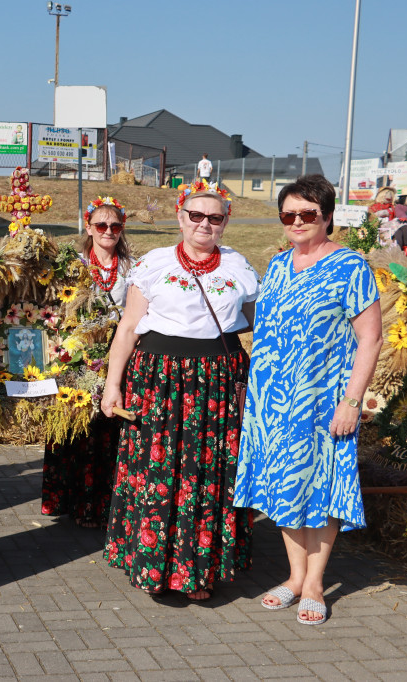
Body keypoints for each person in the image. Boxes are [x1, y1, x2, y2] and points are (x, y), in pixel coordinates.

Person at [100, 179, 259, 600]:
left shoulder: (239, 268)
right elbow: (129, 328)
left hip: (217, 382)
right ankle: (154, 566)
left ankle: (197, 571)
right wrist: (111, 387)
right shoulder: (153, 264)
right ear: (180, 216)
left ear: (226, 222)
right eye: (196, 215)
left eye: (215, 217)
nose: (204, 224)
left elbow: (259, 329)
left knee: (206, 474)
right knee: (157, 471)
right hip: (159, 379)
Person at [235, 174, 382, 625]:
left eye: (307, 214)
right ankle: (295, 577)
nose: (297, 222)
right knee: (284, 486)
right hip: (272, 401)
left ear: (328, 217)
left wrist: (352, 402)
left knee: (319, 489)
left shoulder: (351, 267)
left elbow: (371, 339)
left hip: (323, 401)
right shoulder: (278, 266)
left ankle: (316, 583)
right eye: (288, 214)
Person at [41, 196, 131, 528]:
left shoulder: (131, 268)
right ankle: (69, 500)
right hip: (77, 353)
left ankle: (101, 505)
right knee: (74, 427)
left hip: (116, 353)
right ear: (89, 227)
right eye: (101, 225)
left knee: (107, 432)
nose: (108, 231)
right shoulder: (73, 264)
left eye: (115, 226)